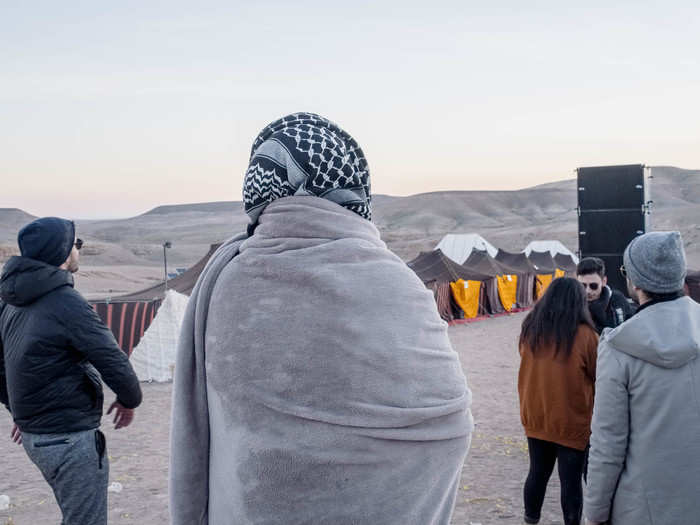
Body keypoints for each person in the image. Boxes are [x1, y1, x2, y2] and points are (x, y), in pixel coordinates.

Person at [169, 113, 473, 524]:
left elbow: (210, 429)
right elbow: (447, 424)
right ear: (353, 182)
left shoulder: (230, 280)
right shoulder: (394, 281)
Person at [0, 217, 142, 525]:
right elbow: (112, 359)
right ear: (62, 253)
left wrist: (22, 414)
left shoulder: (10, 301)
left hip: (35, 437)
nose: (78, 249)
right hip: (68, 440)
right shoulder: (66, 303)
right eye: (76, 244)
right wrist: (130, 399)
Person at [583, 231, 700, 525]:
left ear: (633, 281)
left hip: (645, 506)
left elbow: (608, 443)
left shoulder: (618, 346)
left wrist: (594, 513)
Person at [518, 277, 598, 525]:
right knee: (570, 481)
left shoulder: (531, 328)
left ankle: (530, 521)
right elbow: (599, 376)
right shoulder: (586, 336)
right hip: (571, 420)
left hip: (536, 415)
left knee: (537, 474)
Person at [576, 257, 635, 333]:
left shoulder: (617, 300)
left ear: (604, 281)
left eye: (593, 286)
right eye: (582, 286)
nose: (587, 291)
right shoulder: (572, 304)